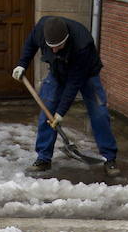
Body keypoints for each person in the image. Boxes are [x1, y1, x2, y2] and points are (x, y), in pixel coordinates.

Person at [12, 15, 120, 177]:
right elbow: (30, 45)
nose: (54, 50)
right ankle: (43, 158)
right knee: (46, 112)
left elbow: (73, 84)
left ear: (67, 39)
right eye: (51, 46)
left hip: (86, 75)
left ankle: (109, 158)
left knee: (99, 113)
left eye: (58, 46)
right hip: (57, 72)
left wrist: (61, 112)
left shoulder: (82, 43)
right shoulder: (42, 28)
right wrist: (22, 64)